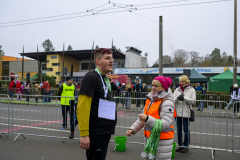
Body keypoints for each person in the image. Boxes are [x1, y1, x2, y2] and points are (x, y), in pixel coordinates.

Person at [77, 48, 117, 160]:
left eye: (112, 58)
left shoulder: (105, 79)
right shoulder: (91, 77)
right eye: (107, 58)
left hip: (104, 131)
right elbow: (82, 107)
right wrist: (84, 134)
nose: (111, 61)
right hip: (96, 132)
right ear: (98, 62)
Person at [126, 76, 175, 160]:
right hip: (150, 140)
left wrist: (147, 119)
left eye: (156, 86)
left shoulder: (167, 102)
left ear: (163, 87)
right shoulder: (151, 100)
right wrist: (133, 129)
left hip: (162, 143)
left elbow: (166, 123)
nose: (153, 87)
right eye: (152, 85)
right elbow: (143, 118)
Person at [173, 75, 196, 153]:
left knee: (186, 130)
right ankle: (180, 145)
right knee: (179, 130)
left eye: (182, 81)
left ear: (186, 81)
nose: (181, 83)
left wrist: (185, 98)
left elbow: (193, 101)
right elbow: (173, 99)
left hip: (186, 113)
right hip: (178, 113)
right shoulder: (177, 89)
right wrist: (177, 98)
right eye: (180, 81)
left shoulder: (192, 89)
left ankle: (186, 146)